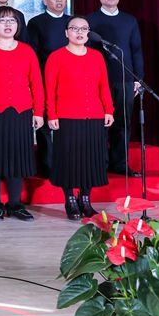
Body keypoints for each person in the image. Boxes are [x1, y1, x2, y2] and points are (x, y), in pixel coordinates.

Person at [0, 6, 44, 221]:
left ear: (18, 25)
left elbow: (37, 83)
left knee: (18, 158)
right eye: (3, 20)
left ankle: (15, 204)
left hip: (21, 111)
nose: (8, 24)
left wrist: (38, 111)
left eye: (12, 21)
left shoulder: (27, 50)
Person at [45, 17, 115, 220]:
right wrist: (51, 114)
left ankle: (85, 199)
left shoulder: (96, 56)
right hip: (66, 116)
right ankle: (70, 199)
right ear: (66, 33)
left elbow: (103, 85)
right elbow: (50, 88)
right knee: (68, 159)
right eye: (74, 28)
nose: (80, 32)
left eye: (84, 29)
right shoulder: (56, 57)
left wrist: (108, 110)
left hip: (94, 115)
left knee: (91, 159)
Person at [85, 0, 144, 178]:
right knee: (99, 123)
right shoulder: (89, 20)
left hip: (125, 79)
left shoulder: (130, 21)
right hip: (97, 81)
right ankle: (99, 164)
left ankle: (120, 164)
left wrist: (137, 79)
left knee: (122, 123)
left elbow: (136, 50)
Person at [26, 0, 71, 177]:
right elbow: (33, 55)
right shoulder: (36, 23)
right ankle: (47, 166)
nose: (59, 0)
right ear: (45, 1)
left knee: (67, 123)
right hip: (45, 80)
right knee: (45, 125)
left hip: (70, 82)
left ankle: (67, 163)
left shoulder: (73, 22)